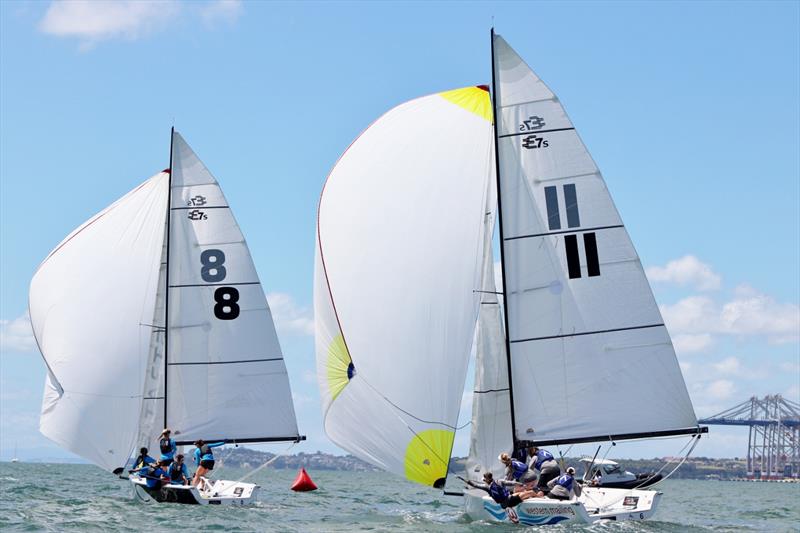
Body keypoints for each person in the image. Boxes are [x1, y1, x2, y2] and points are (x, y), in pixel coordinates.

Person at [466, 471, 541, 524]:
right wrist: (521, 484)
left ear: (486, 480)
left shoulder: (486, 487)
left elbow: (475, 486)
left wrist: (469, 482)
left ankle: (525, 497)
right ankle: (540, 498)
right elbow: (511, 483)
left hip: (503, 504)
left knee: (520, 493)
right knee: (530, 492)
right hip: (509, 501)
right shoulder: (499, 481)